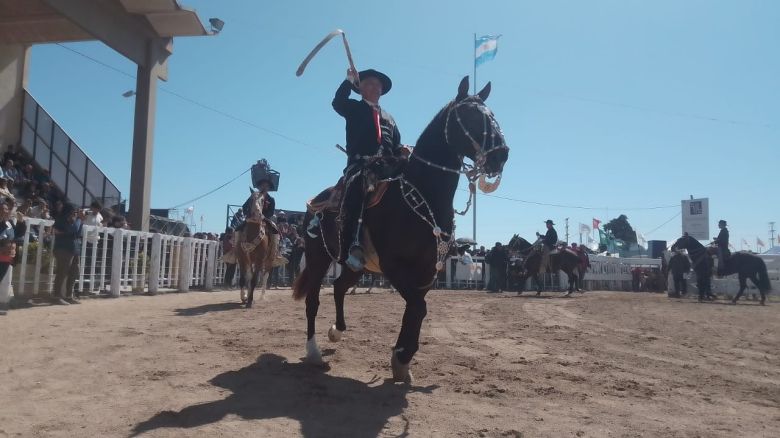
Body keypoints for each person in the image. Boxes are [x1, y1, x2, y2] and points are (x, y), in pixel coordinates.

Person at [332, 67, 403, 271]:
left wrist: (403, 153)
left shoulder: (390, 118)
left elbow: (396, 144)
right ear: (360, 88)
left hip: (388, 166)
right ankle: (352, 244)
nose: (374, 87)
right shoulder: (353, 108)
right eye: (369, 83)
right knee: (358, 185)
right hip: (361, 164)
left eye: (377, 85)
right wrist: (348, 81)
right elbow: (337, 102)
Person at [52, 204, 83, 305]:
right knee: (62, 272)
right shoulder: (61, 219)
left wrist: (80, 220)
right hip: (63, 249)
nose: (75, 213)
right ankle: (56, 296)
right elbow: (73, 229)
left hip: (73, 249)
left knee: (75, 271)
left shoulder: (73, 220)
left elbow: (77, 233)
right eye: (74, 211)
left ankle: (69, 295)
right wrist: (79, 219)